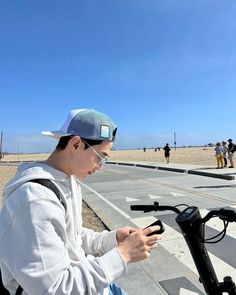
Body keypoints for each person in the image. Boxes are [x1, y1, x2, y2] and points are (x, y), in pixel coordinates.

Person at [0, 109, 161, 295]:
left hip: (92, 283)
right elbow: (55, 289)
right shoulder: (35, 200)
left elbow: (73, 237)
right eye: (100, 156)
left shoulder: (68, 181)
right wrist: (123, 255)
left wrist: (114, 238)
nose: (100, 167)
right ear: (76, 144)